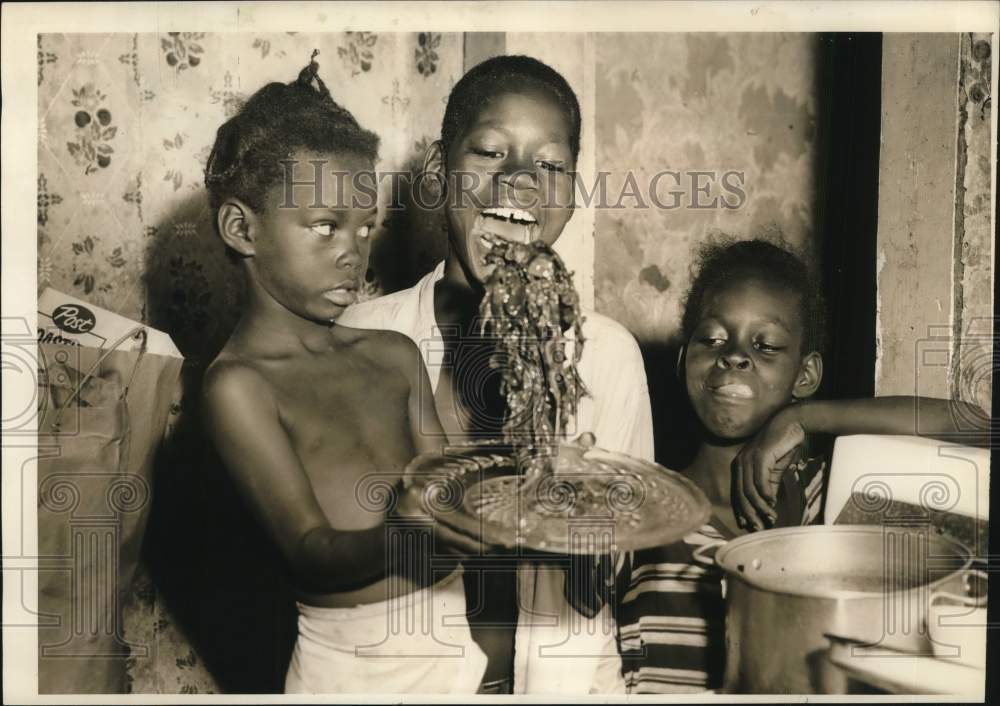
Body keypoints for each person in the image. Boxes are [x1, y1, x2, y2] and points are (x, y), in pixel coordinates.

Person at [338, 54, 654, 694]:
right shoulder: (360, 337)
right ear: (437, 169)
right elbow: (333, 563)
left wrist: (586, 510)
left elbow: (605, 587)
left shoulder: (608, 356)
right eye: (488, 152)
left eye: (551, 165)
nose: (519, 181)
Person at [200, 53, 488, 694]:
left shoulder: (393, 354)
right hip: (351, 668)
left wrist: (526, 480)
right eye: (325, 225)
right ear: (241, 227)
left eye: (364, 228)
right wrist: (403, 534)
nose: (352, 252)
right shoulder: (239, 385)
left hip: (451, 646)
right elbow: (307, 549)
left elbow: (455, 496)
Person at [616, 237, 991, 693]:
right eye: (711, 338)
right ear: (682, 360)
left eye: (767, 345)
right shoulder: (635, 514)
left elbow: (975, 425)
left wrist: (806, 417)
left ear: (806, 375)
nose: (734, 355)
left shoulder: (828, 494)